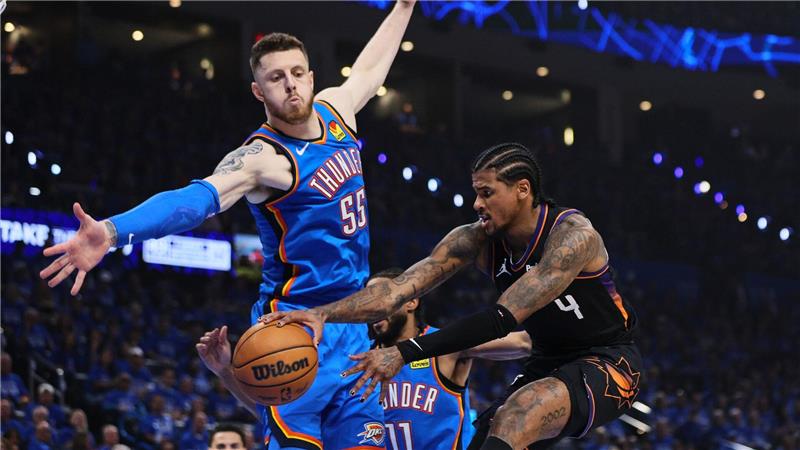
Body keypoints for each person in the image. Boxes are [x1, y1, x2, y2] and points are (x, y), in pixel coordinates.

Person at [40, 2, 417, 448]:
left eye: (298, 73)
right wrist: (115, 230)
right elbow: (195, 200)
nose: (290, 85)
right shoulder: (261, 159)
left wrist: (405, 6)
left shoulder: (338, 110)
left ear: (313, 78)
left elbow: (371, 68)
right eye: (276, 78)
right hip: (292, 330)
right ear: (259, 92)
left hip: (352, 328)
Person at [262, 143, 642, 449]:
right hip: (548, 359)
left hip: (609, 360)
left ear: (522, 189)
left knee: (519, 413)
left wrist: (405, 351)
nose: (476, 204)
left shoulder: (573, 236)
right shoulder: (475, 239)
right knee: (488, 434)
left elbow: (500, 319)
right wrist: (321, 315)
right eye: (475, 193)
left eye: (486, 193)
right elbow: (396, 291)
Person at [367, 268, 532, 450]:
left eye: (382, 297)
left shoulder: (444, 346)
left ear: (411, 302)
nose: (373, 306)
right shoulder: (359, 357)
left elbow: (523, 342)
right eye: (367, 301)